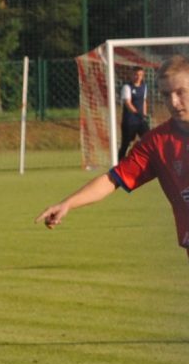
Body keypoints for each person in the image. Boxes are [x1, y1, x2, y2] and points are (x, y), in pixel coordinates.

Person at [38, 54, 189, 259]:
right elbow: (113, 179)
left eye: (180, 92)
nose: (173, 102)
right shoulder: (156, 143)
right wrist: (67, 203)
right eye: (166, 94)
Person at [117, 64, 151, 162]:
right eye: (136, 74)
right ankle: (120, 163)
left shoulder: (144, 86)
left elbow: (144, 101)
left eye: (140, 75)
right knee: (126, 144)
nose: (138, 77)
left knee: (148, 139)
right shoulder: (127, 87)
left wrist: (144, 114)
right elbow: (128, 103)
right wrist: (137, 113)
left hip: (140, 121)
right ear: (131, 75)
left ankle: (148, 161)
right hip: (129, 121)